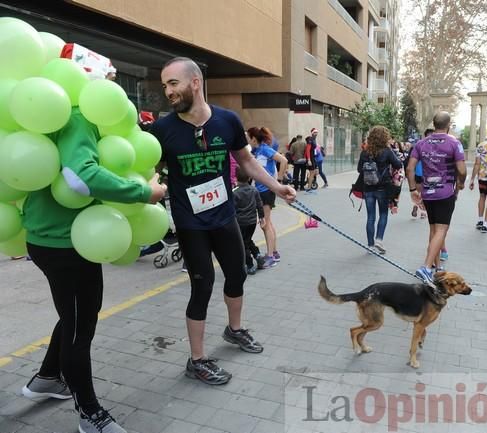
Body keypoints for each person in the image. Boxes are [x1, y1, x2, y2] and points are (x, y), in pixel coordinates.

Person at [20, 108, 167, 433]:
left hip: (50, 237)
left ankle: (47, 379)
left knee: (72, 316)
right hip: (67, 243)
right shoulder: (77, 116)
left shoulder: (50, 115)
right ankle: (89, 413)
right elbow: (81, 175)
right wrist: (146, 192)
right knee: (79, 327)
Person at [151, 57, 295, 385]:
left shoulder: (227, 121)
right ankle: (197, 360)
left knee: (238, 273)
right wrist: (150, 187)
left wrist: (276, 186)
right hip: (191, 223)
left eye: (173, 83)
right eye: (164, 86)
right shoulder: (162, 130)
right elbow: (151, 171)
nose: (168, 91)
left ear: (195, 82)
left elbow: (246, 160)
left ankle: (234, 329)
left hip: (224, 215)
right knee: (202, 286)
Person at [407, 112, 466, 283]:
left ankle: (437, 267)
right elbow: (462, 170)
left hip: (427, 192)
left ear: (433, 124)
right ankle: (426, 267)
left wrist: (413, 190)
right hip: (445, 192)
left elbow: (410, 168)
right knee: (441, 230)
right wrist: (461, 183)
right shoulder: (454, 143)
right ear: (449, 125)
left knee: (434, 230)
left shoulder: (421, 143)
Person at [357, 125, 403, 254]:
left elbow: (359, 169)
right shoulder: (387, 151)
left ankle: (370, 245)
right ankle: (379, 239)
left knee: (370, 216)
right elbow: (398, 165)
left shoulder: (365, 152)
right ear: (384, 138)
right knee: (383, 214)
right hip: (383, 187)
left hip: (368, 188)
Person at [247, 126, 288, 268]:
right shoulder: (255, 151)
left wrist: (280, 181)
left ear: (253, 138)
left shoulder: (265, 149)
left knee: (265, 224)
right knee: (267, 223)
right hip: (260, 190)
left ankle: (270, 256)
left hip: (266, 191)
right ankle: (274, 252)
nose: (247, 140)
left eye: (248, 137)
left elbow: (283, 160)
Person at [233, 166, 265, 275]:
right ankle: (258, 255)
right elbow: (259, 205)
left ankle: (250, 265)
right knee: (247, 239)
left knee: (243, 244)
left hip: (240, 223)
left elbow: (232, 209)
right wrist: (261, 217)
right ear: (249, 177)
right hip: (252, 222)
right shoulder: (254, 190)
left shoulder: (235, 193)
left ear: (236, 177)